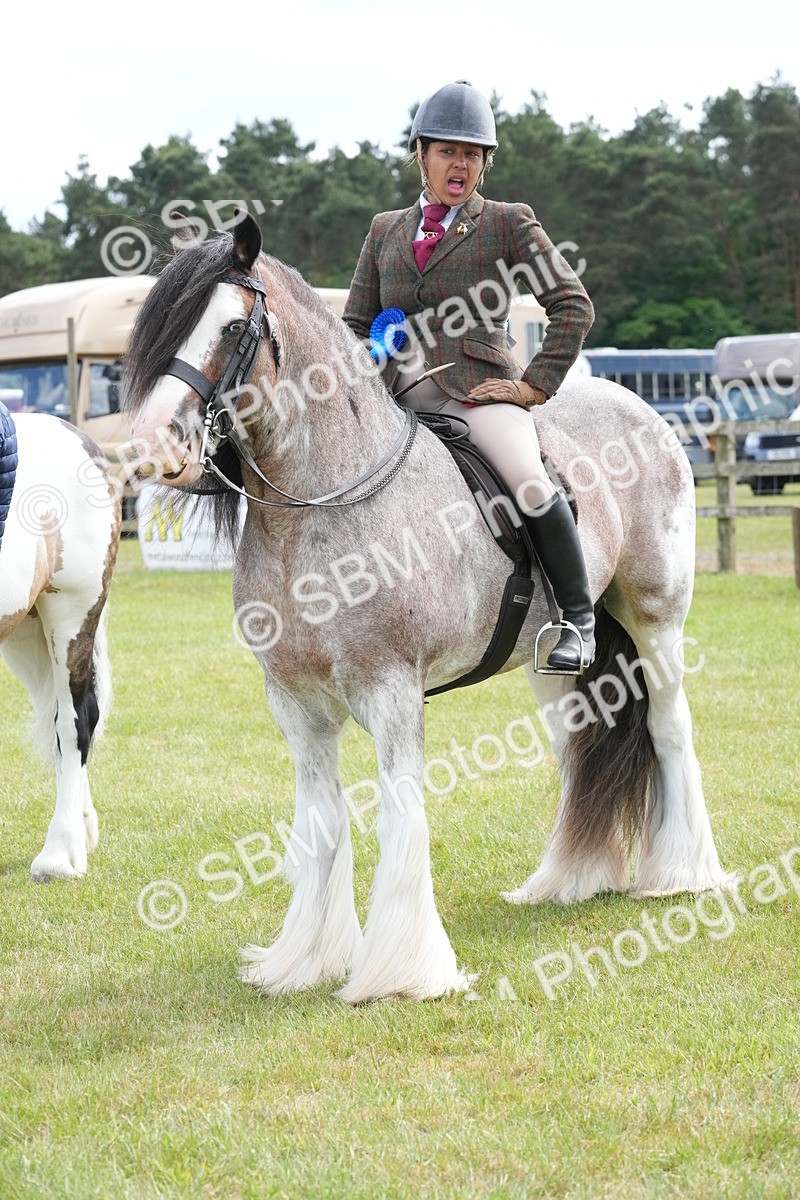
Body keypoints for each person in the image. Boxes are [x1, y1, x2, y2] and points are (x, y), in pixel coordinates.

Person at [343, 80, 596, 672]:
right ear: (421, 153)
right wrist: (371, 350)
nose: (461, 164)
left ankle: (577, 620)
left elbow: (572, 304)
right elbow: (354, 322)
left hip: (477, 396)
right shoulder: (385, 229)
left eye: (473, 154)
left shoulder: (508, 223)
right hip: (393, 398)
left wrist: (533, 386)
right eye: (448, 151)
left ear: (484, 162)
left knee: (529, 482)